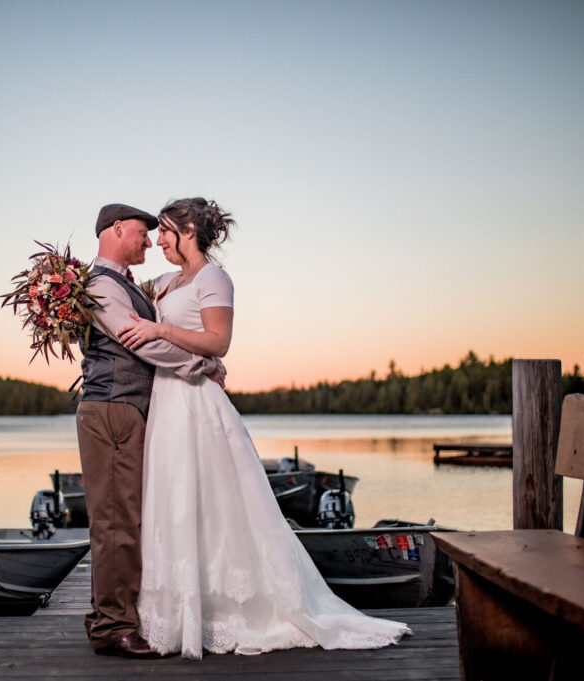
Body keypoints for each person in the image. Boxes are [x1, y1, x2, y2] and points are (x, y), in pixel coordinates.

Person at [117, 198, 411, 659]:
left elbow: (220, 341)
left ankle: (235, 609)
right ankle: (179, 608)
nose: (158, 241)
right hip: (167, 403)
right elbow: (123, 287)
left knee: (217, 503)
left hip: (197, 404)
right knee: (174, 499)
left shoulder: (214, 278)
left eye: (166, 231)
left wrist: (164, 334)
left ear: (188, 229)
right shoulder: (165, 282)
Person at [75, 203, 225, 658]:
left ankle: (109, 614)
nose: (149, 241)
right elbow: (141, 343)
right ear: (117, 230)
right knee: (117, 521)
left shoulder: (122, 284)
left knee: (125, 516)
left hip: (126, 410)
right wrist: (203, 364)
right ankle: (113, 628)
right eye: (142, 233)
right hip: (114, 409)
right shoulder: (102, 286)